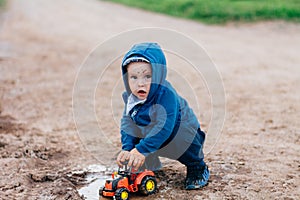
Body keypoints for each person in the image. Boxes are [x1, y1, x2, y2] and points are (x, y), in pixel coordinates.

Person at [116, 42, 209, 190]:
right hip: (155, 137)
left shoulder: (166, 95)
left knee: (183, 138)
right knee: (137, 125)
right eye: (133, 77)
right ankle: (148, 163)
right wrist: (128, 148)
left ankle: (197, 168)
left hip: (179, 133)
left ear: (158, 75)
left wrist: (142, 150)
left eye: (147, 77)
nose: (140, 83)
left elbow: (164, 127)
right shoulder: (131, 98)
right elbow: (128, 123)